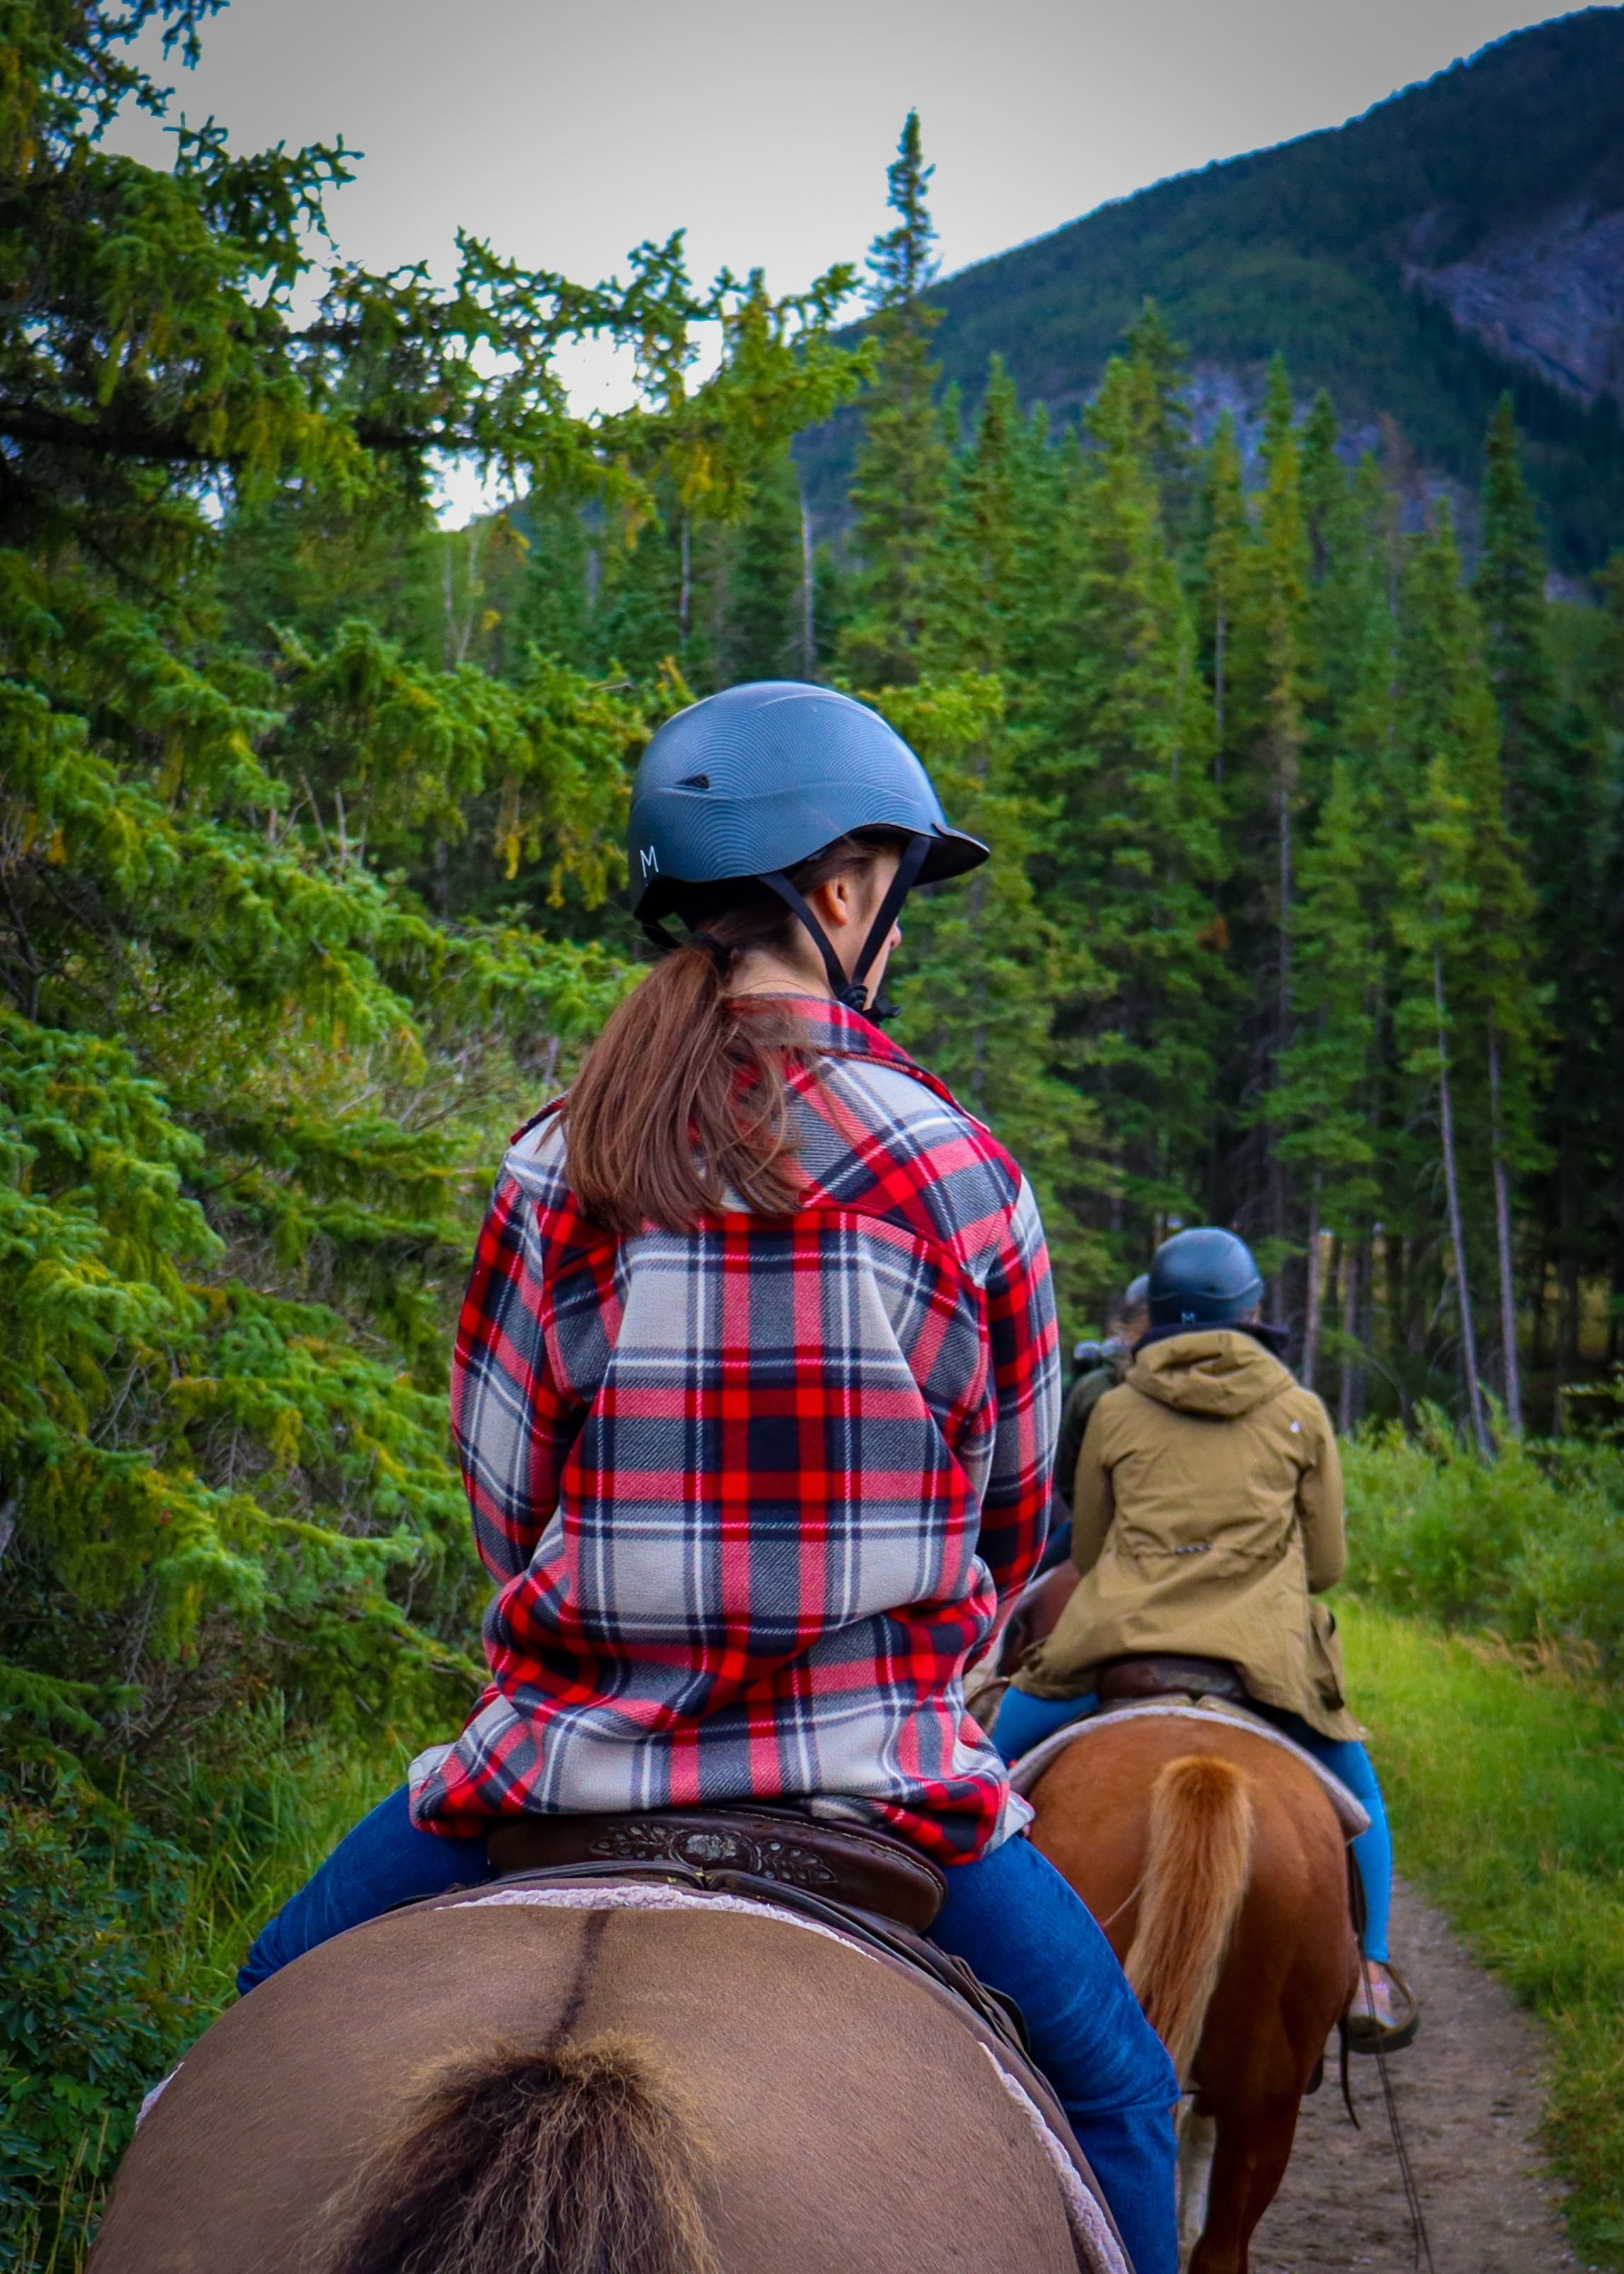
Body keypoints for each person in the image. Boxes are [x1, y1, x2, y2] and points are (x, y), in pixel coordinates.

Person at [238, 683, 1180, 2273]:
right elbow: (1016, 1525)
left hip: (546, 1773)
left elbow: (503, 1495)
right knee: (1126, 2101)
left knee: (255, 2021)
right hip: (877, 1788)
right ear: (834, 892)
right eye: (895, 890)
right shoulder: (959, 1170)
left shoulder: (555, 1158)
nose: (897, 932)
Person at [993, 1226, 1417, 2055]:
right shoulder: (1300, 1412)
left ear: (1155, 1310)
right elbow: (1326, 1564)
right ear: (1250, 1308)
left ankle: (934, 1936)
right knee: (1362, 1807)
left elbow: (1086, 1553)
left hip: (1117, 1648)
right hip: (1261, 1663)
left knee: (978, 1763)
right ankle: (1369, 1972)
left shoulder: (1114, 1405)